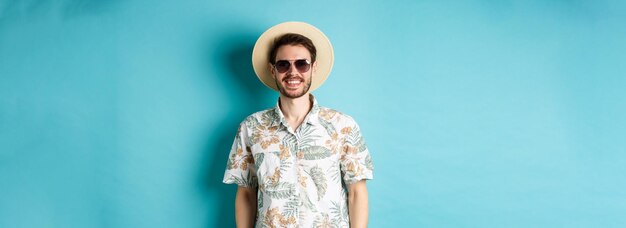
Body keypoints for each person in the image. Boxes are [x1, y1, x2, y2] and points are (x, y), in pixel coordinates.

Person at [223, 21, 374, 228]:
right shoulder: (251, 127)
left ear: (313, 68)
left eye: (301, 64)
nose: (293, 72)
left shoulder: (342, 125)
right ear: (272, 70)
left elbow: (357, 192)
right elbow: (246, 193)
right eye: (283, 64)